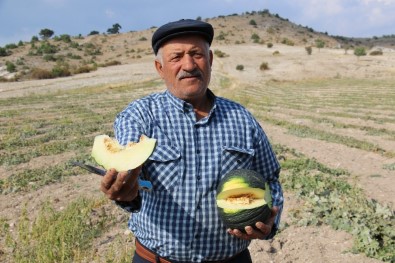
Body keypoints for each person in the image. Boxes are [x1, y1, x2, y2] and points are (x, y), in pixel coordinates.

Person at [100, 19, 284, 263]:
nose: (188, 65)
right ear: (159, 67)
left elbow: (270, 177)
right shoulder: (140, 115)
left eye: (196, 54)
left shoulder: (242, 118)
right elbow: (129, 171)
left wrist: (270, 223)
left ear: (210, 60)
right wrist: (127, 193)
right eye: (176, 57)